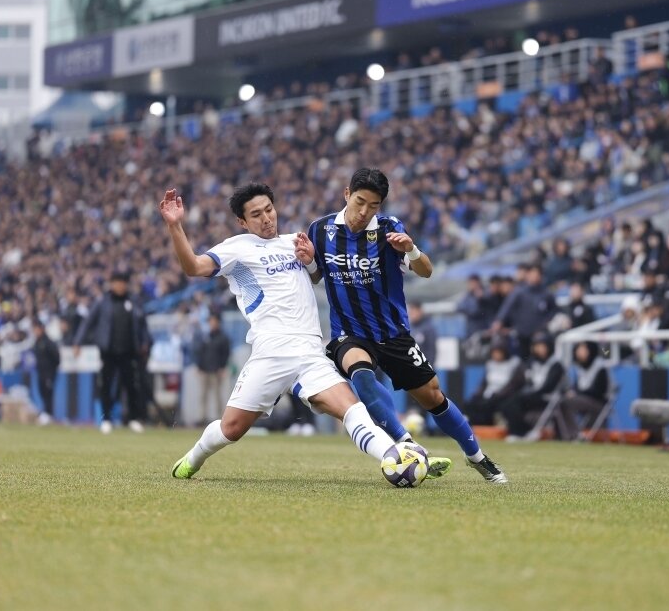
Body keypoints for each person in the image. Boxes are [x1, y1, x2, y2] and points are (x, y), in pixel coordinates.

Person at [160, 184, 424, 480]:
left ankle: (394, 458)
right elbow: (193, 267)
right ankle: (193, 459)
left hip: (310, 352)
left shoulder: (295, 241)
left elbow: (315, 277)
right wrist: (175, 226)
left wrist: (311, 260)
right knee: (230, 429)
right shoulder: (237, 247)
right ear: (243, 222)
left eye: (269, 210)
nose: (266, 219)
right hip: (271, 353)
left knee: (351, 408)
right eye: (256, 215)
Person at [297, 168, 506, 483]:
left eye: (374, 206)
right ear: (346, 195)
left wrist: (411, 249)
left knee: (433, 397)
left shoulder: (389, 230)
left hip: (393, 333)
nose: (364, 212)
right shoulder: (320, 229)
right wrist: (310, 261)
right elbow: (315, 277)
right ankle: (406, 443)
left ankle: (476, 456)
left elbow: (426, 271)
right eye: (360, 202)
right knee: (361, 374)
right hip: (350, 333)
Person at [74, 271, 149, 434]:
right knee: (105, 386)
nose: (120, 286)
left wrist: (145, 343)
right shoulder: (102, 302)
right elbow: (88, 322)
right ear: (112, 284)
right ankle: (106, 420)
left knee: (131, 387)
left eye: (122, 282)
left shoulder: (133, 301)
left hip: (129, 351)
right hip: (108, 352)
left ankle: (133, 419)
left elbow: (142, 324)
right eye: (117, 282)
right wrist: (78, 342)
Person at [500, 332, 568, 441]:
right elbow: (528, 381)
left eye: (542, 346)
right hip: (532, 395)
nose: (539, 349)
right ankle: (519, 430)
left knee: (516, 401)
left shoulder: (556, 364)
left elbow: (548, 386)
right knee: (507, 402)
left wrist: (530, 393)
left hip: (546, 397)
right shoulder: (533, 363)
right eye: (537, 346)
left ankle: (521, 432)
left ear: (549, 346)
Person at [464, 338, 522, 426]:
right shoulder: (490, 364)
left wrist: (498, 395)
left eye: (499, 352)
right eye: (494, 352)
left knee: (494, 404)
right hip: (489, 394)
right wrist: (478, 394)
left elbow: (512, 385)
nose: (496, 355)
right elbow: (484, 383)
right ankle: (473, 428)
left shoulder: (513, 364)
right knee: (471, 403)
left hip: (503, 396)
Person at [560, 341, 610, 440]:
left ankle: (575, 434)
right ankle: (566, 434)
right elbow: (577, 387)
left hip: (598, 402)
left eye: (583, 349)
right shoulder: (579, 367)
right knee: (561, 400)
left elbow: (599, 391)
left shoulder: (601, 367)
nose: (579, 352)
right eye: (578, 349)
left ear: (591, 351)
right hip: (584, 400)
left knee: (566, 402)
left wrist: (577, 393)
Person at [193, 313, 231, 426]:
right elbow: (201, 353)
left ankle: (221, 420)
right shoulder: (207, 336)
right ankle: (202, 418)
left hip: (216, 371)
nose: (212, 323)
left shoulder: (223, 338)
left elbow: (226, 354)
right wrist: (199, 367)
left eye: (214, 321)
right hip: (205, 370)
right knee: (203, 396)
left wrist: (223, 367)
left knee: (218, 395)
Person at [32, 321, 60, 425]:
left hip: (49, 373)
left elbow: (57, 358)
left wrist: (51, 370)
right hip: (40, 372)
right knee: (42, 392)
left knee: (48, 393)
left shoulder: (48, 342)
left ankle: (49, 414)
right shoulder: (36, 342)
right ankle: (45, 413)